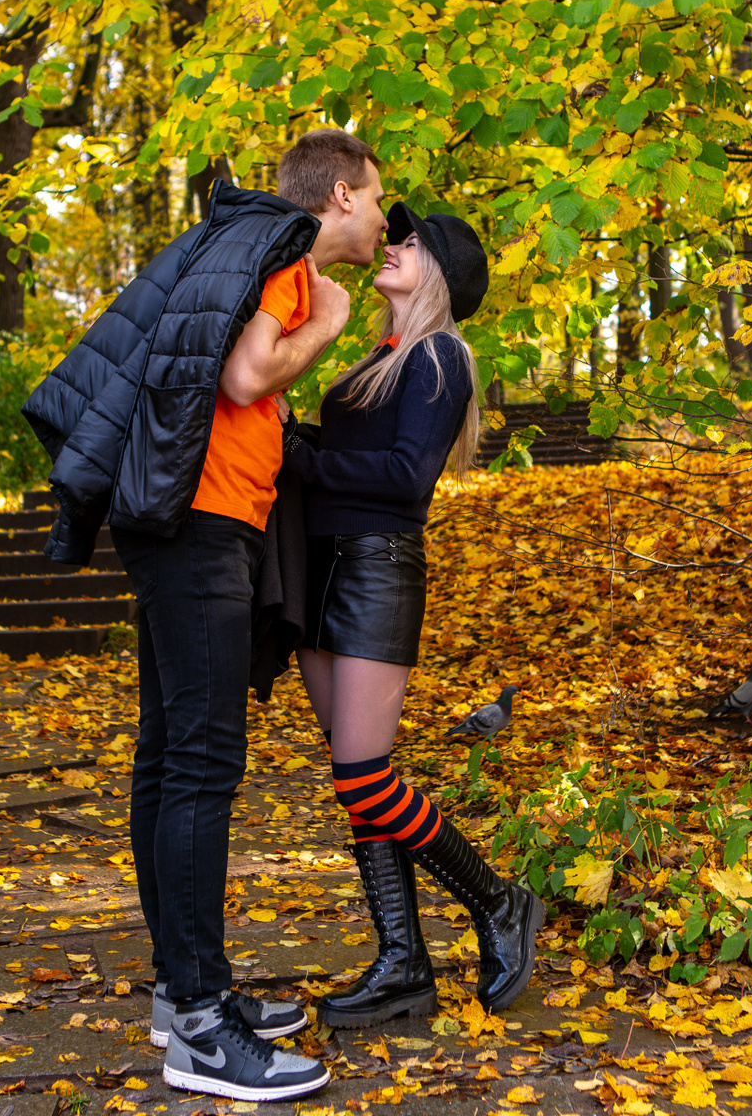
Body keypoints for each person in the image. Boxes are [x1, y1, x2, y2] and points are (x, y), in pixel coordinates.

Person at [23, 130, 386, 1101]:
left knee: (168, 752)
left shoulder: (251, 246)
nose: (381, 219)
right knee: (201, 762)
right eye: (375, 198)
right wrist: (330, 324)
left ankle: (182, 988)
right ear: (340, 196)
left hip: (180, 516)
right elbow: (246, 375)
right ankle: (199, 1024)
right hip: (202, 521)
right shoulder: (286, 257)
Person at [283, 203, 546, 1027]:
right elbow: (349, 453)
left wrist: (303, 456)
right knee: (355, 783)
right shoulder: (383, 355)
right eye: (394, 237)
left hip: (375, 571)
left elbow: (405, 477)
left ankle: (498, 900)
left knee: (365, 776)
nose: (392, 248)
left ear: (440, 273)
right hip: (322, 568)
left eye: (411, 242)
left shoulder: (440, 355)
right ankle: (402, 964)